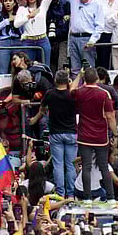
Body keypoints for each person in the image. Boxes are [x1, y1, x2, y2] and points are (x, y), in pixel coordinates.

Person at [70, 67, 116, 203]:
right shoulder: (104, 94)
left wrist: (79, 75)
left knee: (86, 167)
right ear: (97, 78)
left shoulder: (80, 92)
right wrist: (115, 133)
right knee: (103, 167)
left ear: (85, 79)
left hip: (84, 136)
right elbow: (110, 116)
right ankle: (111, 198)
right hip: (101, 137)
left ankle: (87, 198)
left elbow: (71, 89)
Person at [50, 0, 105, 73]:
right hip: (73, 38)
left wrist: (92, 40)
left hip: (87, 38)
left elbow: (100, 26)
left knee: (89, 70)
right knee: (75, 70)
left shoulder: (97, 4)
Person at [33, 69, 78, 198]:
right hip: (71, 132)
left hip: (55, 133)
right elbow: (75, 88)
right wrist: (78, 76)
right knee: (71, 165)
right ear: (67, 81)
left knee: (58, 165)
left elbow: (42, 109)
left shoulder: (50, 94)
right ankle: (71, 194)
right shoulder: (72, 94)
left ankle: (60, 193)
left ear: (55, 80)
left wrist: (35, 119)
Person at [14, 0, 55, 68]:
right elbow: (16, 24)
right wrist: (28, 16)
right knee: (28, 67)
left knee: (45, 67)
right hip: (28, 41)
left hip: (42, 40)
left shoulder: (43, 6)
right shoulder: (22, 9)